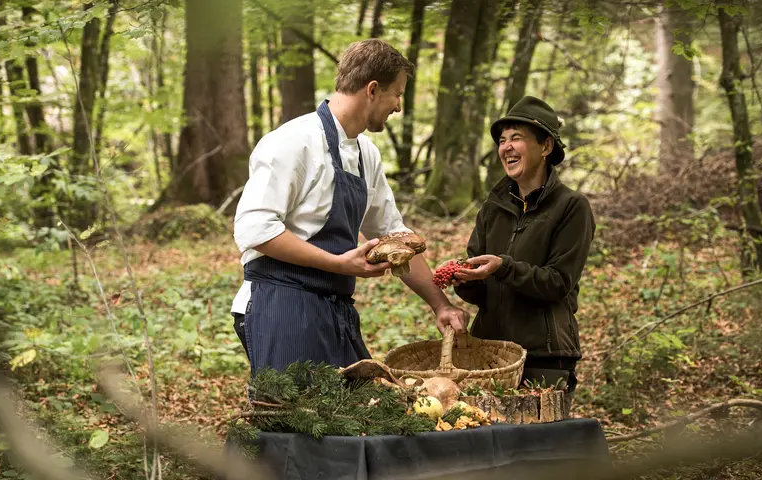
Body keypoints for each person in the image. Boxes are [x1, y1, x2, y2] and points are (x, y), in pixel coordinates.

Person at [230, 39, 469, 375]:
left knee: (358, 416)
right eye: (397, 94)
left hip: (335, 312)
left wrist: (440, 304)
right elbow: (255, 229)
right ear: (372, 89)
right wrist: (338, 263)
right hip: (280, 306)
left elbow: (393, 235)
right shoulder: (292, 142)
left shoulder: (365, 154)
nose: (399, 106)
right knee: (292, 423)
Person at [451, 96, 595, 412]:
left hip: (544, 356)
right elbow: (481, 287)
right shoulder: (493, 207)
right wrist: (463, 278)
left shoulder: (571, 207)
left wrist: (502, 267)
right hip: (489, 357)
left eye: (517, 138)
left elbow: (558, 282)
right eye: (502, 140)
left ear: (545, 147)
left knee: (539, 454)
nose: (507, 147)